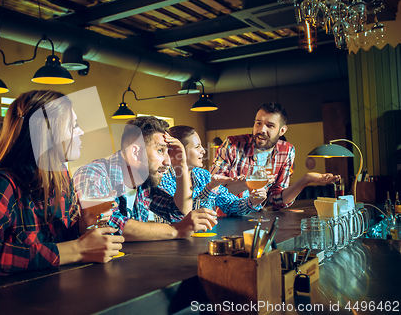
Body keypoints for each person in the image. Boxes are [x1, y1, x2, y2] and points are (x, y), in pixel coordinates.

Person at [0, 90, 124, 279]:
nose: (81, 131)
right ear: (48, 132)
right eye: (73, 125)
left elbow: (54, 240)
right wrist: (77, 249)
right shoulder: (3, 182)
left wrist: (82, 227)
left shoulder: (60, 176)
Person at [73, 116, 218, 241]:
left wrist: (181, 164)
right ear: (135, 152)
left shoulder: (144, 181)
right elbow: (105, 225)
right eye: (161, 150)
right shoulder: (93, 174)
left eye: (169, 152)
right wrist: (176, 231)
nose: (168, 161)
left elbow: (178, 213)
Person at [210, 102, 340, 210]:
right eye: (258, 123)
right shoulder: (232, 145)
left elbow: (278, 199)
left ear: (282, 130)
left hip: (256, 218)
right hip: (223, 217)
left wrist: (306, 179)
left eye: (270, 126)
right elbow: (212, 190)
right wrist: (252, 182)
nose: (261, 130)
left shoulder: (287, 151)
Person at [157, 125, 267, 220]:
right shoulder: (163, 179)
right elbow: (183, 217)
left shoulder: (203, 175)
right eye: (197, 147)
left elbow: (230, 205)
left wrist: (253, 201)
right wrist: (210, 188)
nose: (203, 151)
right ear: (178, 150)